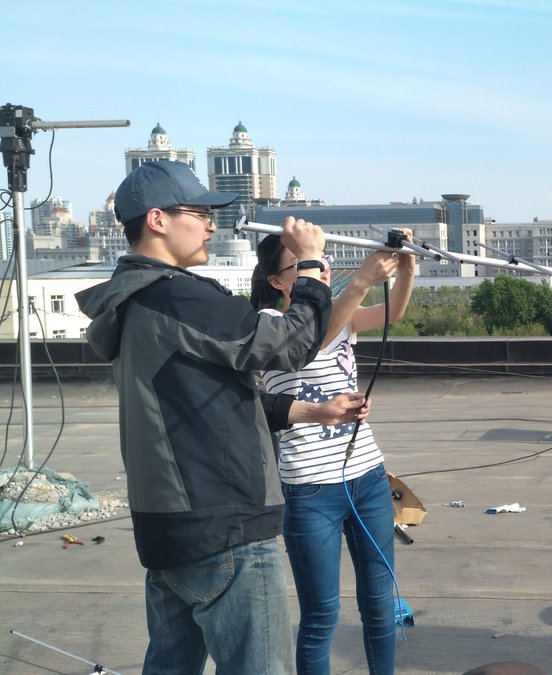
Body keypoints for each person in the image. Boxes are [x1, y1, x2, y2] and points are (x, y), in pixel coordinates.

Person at [76, 160, 358, 674]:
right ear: (157, 220)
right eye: (201, 213)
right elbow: (291, 345)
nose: (211, 224)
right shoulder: (176, 294)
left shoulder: (135, 303)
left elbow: (207, 398)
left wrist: (311, 410)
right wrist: (313, 266)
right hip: (224, 527)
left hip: (171, 527)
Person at [250, 233, 415, 674]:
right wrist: (360, 279)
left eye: (321, 262)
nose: (319, 269)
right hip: (310, 488)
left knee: (380, 603)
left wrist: (407, 266)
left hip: (367, 478)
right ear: (277, 281)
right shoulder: (269, 324)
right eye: (303, 265)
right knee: (322, 616)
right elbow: (312, 343)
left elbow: (392, 313)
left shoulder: (342, 319)